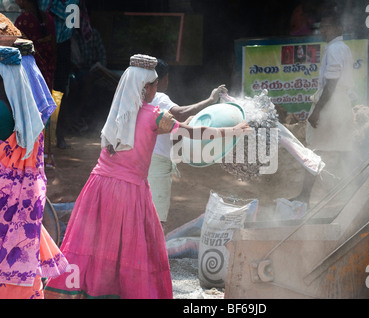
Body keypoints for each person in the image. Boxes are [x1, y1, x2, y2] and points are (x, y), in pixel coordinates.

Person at [43, 54, 251, 299]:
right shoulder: (156, 116)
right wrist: (232, 130)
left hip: (98, 187)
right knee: (136, 247)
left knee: (94, 242)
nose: (156, 88)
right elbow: (194, 132)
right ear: (146, 88)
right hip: (129, 191)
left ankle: (79, 291)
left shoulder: (118, 112)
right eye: (153, 84)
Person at [0, 43, 69, 299]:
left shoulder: (1, 112)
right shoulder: (30, 116)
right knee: (22, 262)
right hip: (28, 201)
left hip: (4, 200)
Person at [148, 58, 228, 224]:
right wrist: (210, 100)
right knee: (155, 218)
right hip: (156, 164)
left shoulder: (140, 98)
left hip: (143, 161)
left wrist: (188, 122)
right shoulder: (159, 97)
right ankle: (151, 249)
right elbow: (180, 114)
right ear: (162, 79)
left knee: (145, 212)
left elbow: (172, 126)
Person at [293, 8, 357, 205]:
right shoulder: (340, 48)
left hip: (331, 106)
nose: (323, 30)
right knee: (343, 149)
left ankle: (305, 197)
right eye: (322, 27)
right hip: (339, 104)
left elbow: (332, 83)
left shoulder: (335, 49)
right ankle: (354, 194)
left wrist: (318, 111)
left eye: (328, 26)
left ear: (338, 28)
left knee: (314, 151)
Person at [14, 0, 57, 167]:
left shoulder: (22, 20)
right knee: (44, 112)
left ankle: (29, 154)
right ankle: (46, 154)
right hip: (45, 73)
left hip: (27, 74)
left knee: (28, 113)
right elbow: (54, 47)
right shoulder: (49, 19)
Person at [38, 0, 79, 149]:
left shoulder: (73, 1)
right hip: (44, 45)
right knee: (42, 89)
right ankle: (41, 136)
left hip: (62, 47)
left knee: (60, 92)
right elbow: (41, 14)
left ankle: (58, 135)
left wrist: (53, 6)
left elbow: (72, 21)